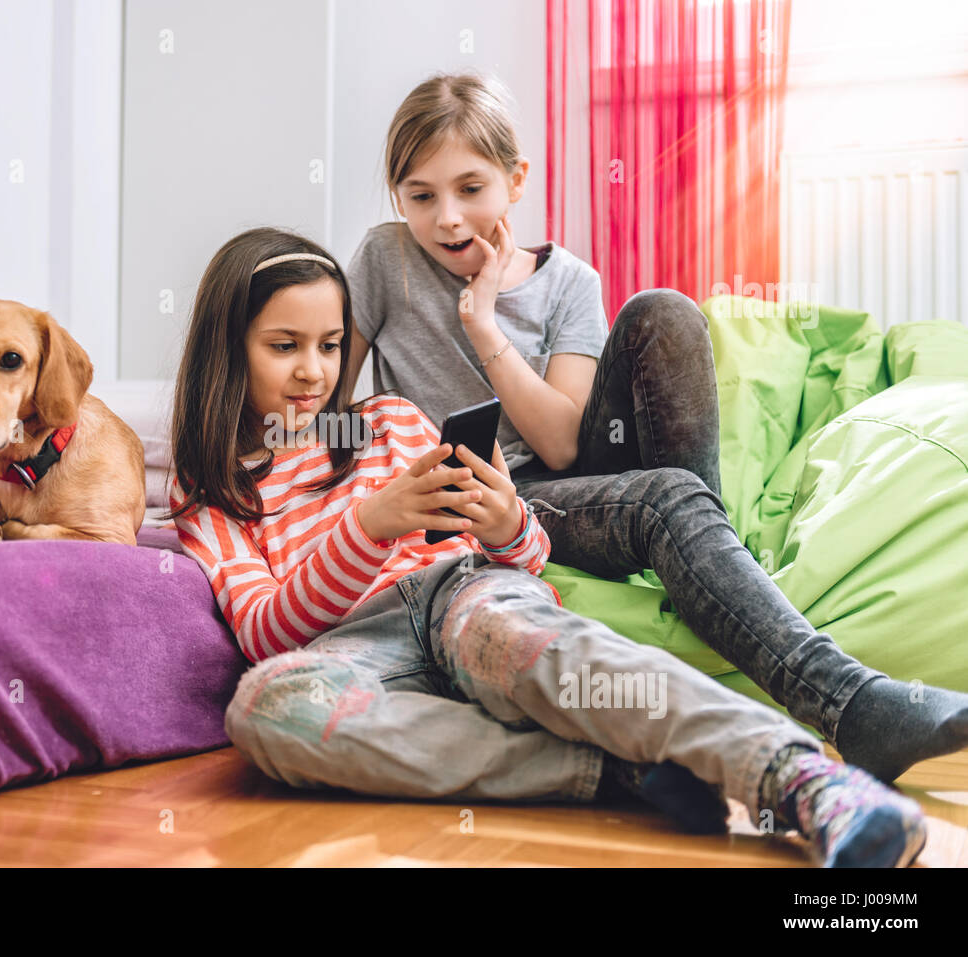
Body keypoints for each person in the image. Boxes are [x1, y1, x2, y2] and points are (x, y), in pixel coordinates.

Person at [162, 225, 928, 867]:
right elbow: (266, 632)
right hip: (350, 645)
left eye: (330, 345)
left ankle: (800, 779)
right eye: (284, 346)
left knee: (549, 651)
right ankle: (609, 769)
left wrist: (503, 523)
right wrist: (368, 527)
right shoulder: (209, 489)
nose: (314, 370)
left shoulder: (388, 420)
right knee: (267, 708)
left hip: (459, 591)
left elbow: (526, 554)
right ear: (229, 350)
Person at [344, 71, 968, 784]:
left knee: (664, 309)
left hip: (564, 472)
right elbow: (331, 401)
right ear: (398, 197)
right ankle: (853, 705)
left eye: (470, 189)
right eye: (420, 196)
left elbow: (561, 443)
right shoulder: (383, 260)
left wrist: (484, 325)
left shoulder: (568, 282)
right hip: (492, 500)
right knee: (664, 497)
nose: (447, 219)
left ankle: (715, 564)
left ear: (515, 181)